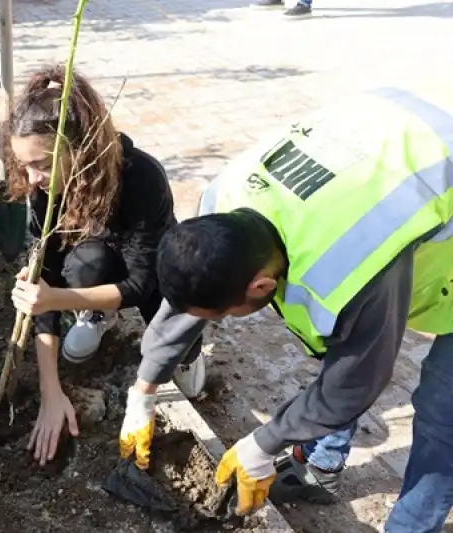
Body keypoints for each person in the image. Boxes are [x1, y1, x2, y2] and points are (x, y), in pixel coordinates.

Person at [119, 84, 453, 532]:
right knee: (346, 336)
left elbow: (354, 382)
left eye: (221, 316)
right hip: (391, 136)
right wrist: (143, 391)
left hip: (422, 172)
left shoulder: (352, 264)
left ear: (262, 285)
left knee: (441, 415)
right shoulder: (225, 208)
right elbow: (192, 299)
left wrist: (263, 444)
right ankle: (323, 467)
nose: (213, 321)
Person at [5, 64, 190, 467]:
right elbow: (46, 280)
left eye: (41, 164)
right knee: (83, 266)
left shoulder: (141, 176)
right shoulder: (45, 191)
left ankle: (189, 350)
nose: (32, 179)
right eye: (25, 166)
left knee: (172, 315)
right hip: (103, 256)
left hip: (156, 266)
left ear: (79, 149)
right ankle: (96, 313)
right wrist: (51, 393)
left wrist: (53, 299)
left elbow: (141, 282)